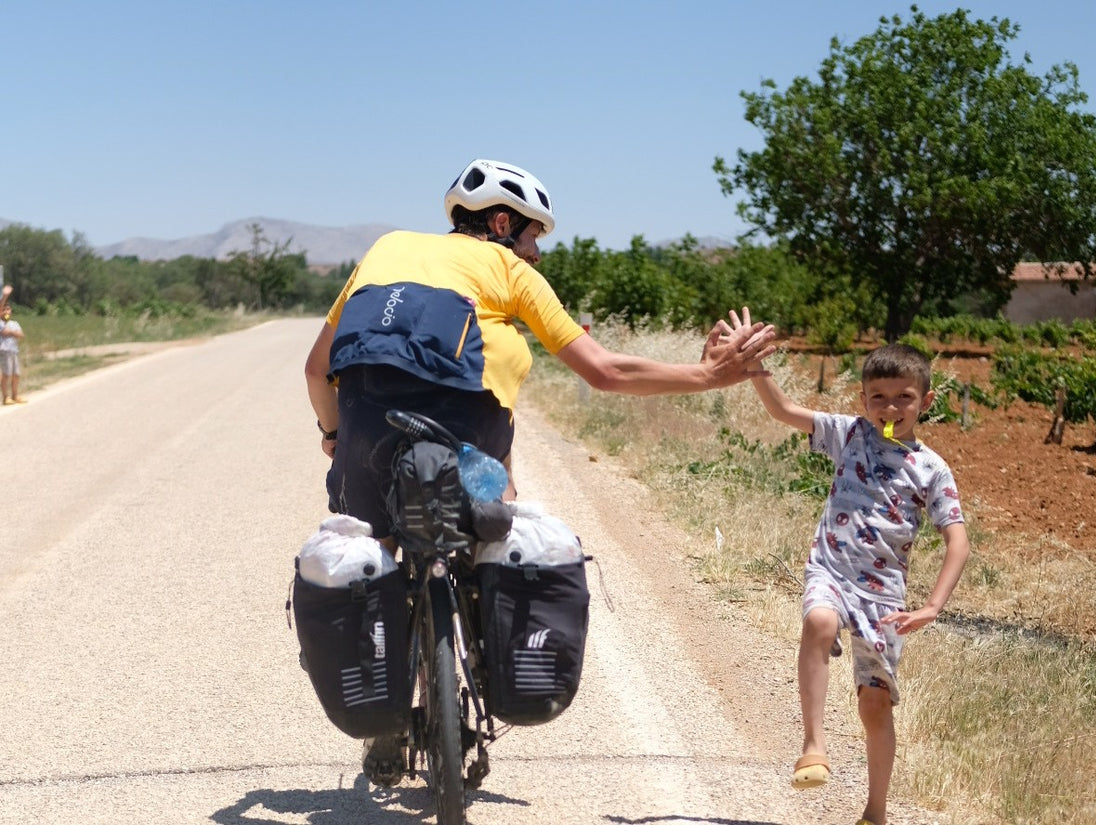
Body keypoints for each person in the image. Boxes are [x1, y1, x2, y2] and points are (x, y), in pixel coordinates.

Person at [303, 158, 778, 786]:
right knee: (496, 519)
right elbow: (603, 371)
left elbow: (316, 367)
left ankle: (385, 708)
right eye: (534, 236)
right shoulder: (509, 270)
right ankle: (487, 625)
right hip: (470, 440)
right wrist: (709, 375)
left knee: (376, 554)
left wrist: (334, 435)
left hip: (369, 432)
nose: (537, 252)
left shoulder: (385, 250)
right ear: (502, 224)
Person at [728, 316, 970, 825]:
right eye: (878, 396)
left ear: (926, 402)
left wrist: (932, 607)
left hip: (884, 598)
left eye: (903, 398)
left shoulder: (932, 469)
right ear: (863, 400)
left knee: (874, 707)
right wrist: (755, 367)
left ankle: (875, 812)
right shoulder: (850, 434)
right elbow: (784, 411)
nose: (890, 407)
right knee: (818, 621)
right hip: (831, 571)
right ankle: (813, 746)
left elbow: (958, 541)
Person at [1, 301, 27, 405]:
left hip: (14, 350)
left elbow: (21, 335)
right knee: (6, 374)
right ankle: (5, 397)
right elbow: (4, 332)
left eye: (7, 309)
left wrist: (11, 332)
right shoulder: (1, 323)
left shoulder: (14, 323)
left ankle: (15, 395)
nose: (6, 312)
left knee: (16, 374)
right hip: (4, 351)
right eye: (3, 310)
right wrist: (13, 333)